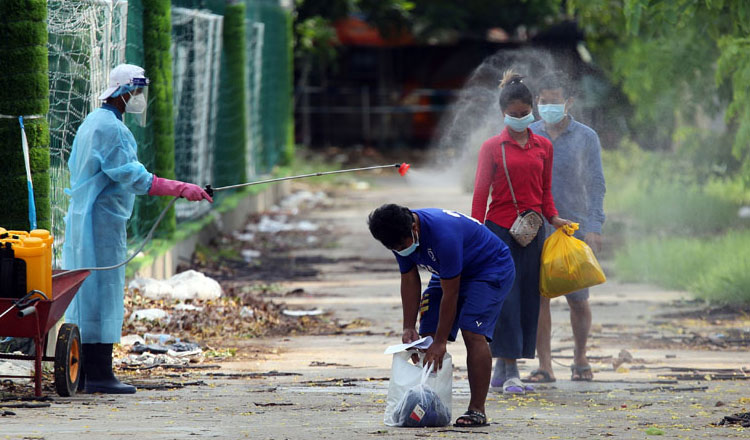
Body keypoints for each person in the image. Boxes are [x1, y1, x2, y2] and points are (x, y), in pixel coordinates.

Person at [62, 64, 213, 394]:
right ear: (123, 92)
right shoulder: (111, 130)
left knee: (87, 296)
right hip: (100, 224)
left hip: (85, 220)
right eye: (137, 92)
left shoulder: (93, 121)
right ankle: (99, 375)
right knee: (103, 294)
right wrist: (180, 188)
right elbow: (134, 177)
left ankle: (86, 373)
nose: (140, 99)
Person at [368, 204, 515, 427]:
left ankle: (477, 410)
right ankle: (427, 406)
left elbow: (451, 294)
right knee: (425, 336)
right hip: (448, 272)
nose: (400, 249)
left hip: (489, 269)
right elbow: (409, 278)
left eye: (401, 245)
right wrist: (409, 327)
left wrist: (440, 342)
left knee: (472, 332)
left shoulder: (443, 235)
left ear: (414, 227)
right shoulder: (395, 233)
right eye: (394, 247)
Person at [471, 70, 570, 394]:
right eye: (512, 115)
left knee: (529, 298)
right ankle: (511, 370)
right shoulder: (492, 147)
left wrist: (554, 218)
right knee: (506, 299)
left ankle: (503, 366)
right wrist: (475, 232)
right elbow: (480, 192)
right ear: (503, 114)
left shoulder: (543, 146)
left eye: (523, 113)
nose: (519, 118)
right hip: (498, 232)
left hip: (534, 230)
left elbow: (545, 191)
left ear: (532, 110)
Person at [525, 71, 606, 383]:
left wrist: (595, 225)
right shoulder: (529, 134)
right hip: (536, 227)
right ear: (536, 102)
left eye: (555, 102)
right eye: (543, 102)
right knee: (540, 298)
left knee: (578, 298)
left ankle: (580, 358)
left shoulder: (586, 137)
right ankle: (544, 365)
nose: (548, 107)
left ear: (569, 102)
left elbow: (596, 184)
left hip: (573, 226)